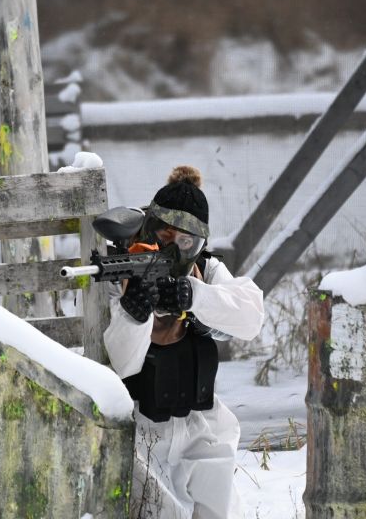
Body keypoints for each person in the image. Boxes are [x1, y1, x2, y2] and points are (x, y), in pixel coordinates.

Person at [103, 165, 265, 519]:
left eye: (185, 241)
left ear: (198, 245)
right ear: (150, 226)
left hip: (200, 423)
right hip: (140, 428)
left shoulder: (203, 270)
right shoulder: (123, 270)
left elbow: (252, 316)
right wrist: (134, 314)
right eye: (164, 233)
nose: (172, 248)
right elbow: (121, 364)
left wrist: (194, 296)